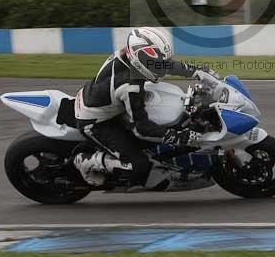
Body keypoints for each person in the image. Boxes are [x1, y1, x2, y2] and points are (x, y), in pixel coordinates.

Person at [72, 27, 204, 188]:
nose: (160, 67)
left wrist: (198, 71)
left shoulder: (129, 56)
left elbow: (164, 64)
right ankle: (87, 161)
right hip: (95, 122)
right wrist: (176, 136)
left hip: (102, 100)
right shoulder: (130, 87)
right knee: (139, 165)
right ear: (139, 59)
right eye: (156, 64)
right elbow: (142, 128)